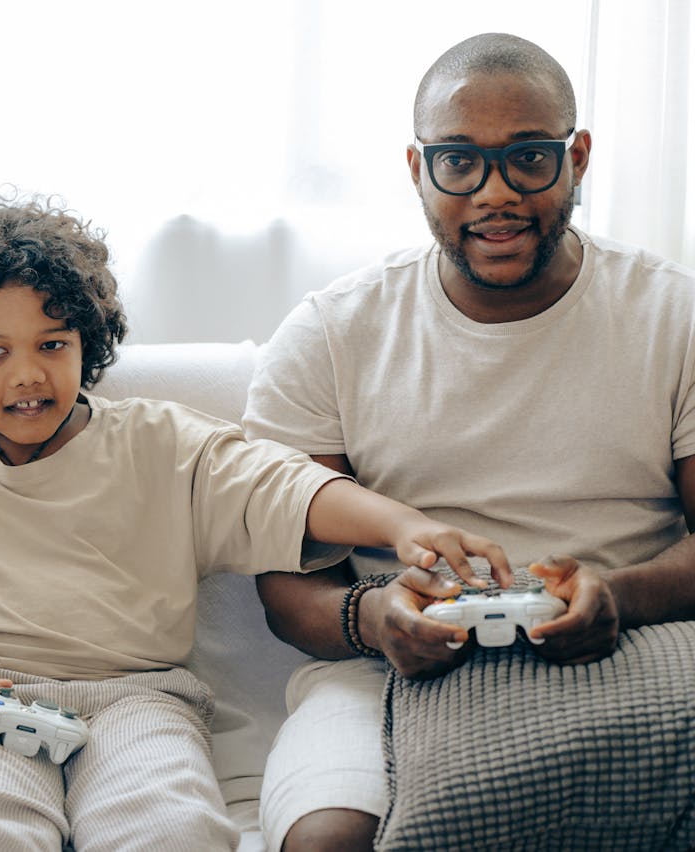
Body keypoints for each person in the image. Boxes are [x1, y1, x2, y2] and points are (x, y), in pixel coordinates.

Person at [0, 194, 509, 851]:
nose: (28, 373)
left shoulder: (160, 442)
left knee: (174, 829)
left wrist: (401, 527)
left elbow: (279, 488)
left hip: (137, 704)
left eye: (52, 344)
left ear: (87, 343)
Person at [245, 32, 695, 851]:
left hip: (641, 635)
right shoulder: (328, 336)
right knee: (326, 841)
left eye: (529, 158)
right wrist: (374, 617)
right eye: (458, 161)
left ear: (578, 158)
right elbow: (285, 590)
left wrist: (622, 597)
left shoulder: (674, 315)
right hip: (390, 661)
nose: (495, 194)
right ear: (417, 170)